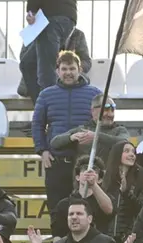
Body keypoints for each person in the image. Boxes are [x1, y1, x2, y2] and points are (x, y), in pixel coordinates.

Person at [32, 50, 102, 221]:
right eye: (64, 69)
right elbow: (37, 125)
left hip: (86, 162)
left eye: (72, 68)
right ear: (58, 71)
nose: (68, 73)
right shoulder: (46, 95)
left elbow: (103, 123)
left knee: (87, 210)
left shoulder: (95, 93)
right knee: (57, 210)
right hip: (58, 162)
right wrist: (43, 150)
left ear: (80, 69)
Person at [24, 0, 78, 102]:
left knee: (46, 73)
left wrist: (31, 10)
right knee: (27, 64)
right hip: (67, 17)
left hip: (51, 17)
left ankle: (50, 111)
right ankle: (41, 106)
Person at [19, 26, 91, 101]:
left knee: (81, 80)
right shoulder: (33, 31)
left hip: (65, 76)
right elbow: (24, 59)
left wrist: (71, 66)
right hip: (40, 76)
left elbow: (86, 61)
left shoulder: (78, 34)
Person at [50, 94, 129, 161]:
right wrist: (70, 138)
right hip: (86, 176)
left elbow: (124, 143)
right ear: (93, 111)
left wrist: (96, 137)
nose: (110, 114)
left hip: (109, 177)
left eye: (112, 110)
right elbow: (54, 143)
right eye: (106, 109)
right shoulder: (83, 130)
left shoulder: (120, 130)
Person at [101, 141, 143, 243]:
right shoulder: (106, 178)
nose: (132, 154)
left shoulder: (141, 177)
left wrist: (126, 192)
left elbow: (141, 208)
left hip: (130, 238)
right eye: (126, 151)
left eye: (133, 152)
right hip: (106, 236)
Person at [49, 158, 111, 238]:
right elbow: (57, 235)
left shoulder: (105, 201)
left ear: (100, 180)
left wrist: (93, 184)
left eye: (94, 171)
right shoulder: (64, 204)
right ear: (77, 177)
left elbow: (109, 210)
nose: (88, 173)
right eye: (85, 169)